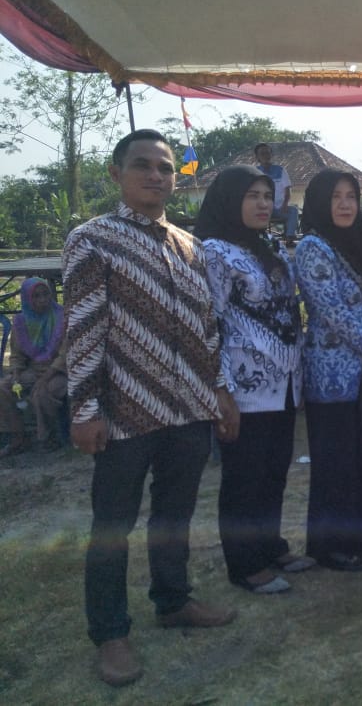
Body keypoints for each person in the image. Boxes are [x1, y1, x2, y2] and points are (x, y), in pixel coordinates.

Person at [63, 129, 239, 688]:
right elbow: (84, 329)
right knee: (112, 525)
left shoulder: (190, 246)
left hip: (188, 409)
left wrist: (220, 390)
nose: (156, 176)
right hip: (125, 412)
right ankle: (110, 632)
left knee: (174, 515)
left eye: (165, 168)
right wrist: (84, 409)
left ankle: (173, 600)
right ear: (116, 174)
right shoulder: (92, 240)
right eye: (143, 165)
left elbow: (207, 328)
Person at [194, 165, 311, 594]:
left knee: (274, 470)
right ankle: (244, 564)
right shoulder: (213, 252)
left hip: (284, 381)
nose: (263, 204)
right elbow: (208, 323)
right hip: (244, 386)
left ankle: (270, 546)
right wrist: (220, 388)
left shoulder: (271, 245)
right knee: (244, 476)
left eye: (267, 195)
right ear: (230, 201)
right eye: (252, 196)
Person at [295, 170, 362, 572]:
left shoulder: (356, 245)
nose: (344, 204)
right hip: (332, 376)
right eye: (335, 196)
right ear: (320, 202)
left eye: (351, 196)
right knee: (335, 461)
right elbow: (331, 310)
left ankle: (361, 531)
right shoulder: (312, 246)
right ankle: (330, 544)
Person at [0, 278, 67, 455]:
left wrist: (45, 378)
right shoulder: (21, 322)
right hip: (33, 370)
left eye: (46, 294)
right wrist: (15, 373)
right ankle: (17, 437)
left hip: (59, 370)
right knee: (3, 388)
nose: (42, 300)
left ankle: (48, 438)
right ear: (28, 299)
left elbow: (65, 355)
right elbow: (17, 355)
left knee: (42, 393)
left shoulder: (62, 318)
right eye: (36, 296)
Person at [254, 143, 299, 238]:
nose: (266, 155)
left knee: (293, 210)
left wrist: (285, 204)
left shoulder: (280, 170)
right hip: (262, 208)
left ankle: (289, 238)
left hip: (279, 208)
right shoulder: (254, 172)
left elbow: (287, 189)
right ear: (257, 157)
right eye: (262, 153)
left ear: (271, 155)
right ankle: (258, 238)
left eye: (268, 153)